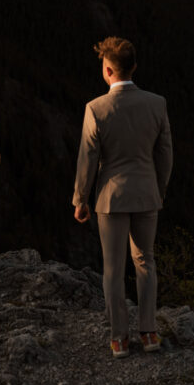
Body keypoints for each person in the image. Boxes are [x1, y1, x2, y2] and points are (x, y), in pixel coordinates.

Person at [73, 36, 173, 359]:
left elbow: (87, 158)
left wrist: (81, 199)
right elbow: (165, 154)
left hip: (110, 198)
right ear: (134, 67)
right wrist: (158, 188)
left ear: (107, 70)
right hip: (147, 193)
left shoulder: (96, 109)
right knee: (145, 261)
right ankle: (149, 332)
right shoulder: (156, 103)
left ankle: (119, 338)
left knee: (113, 269)